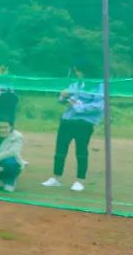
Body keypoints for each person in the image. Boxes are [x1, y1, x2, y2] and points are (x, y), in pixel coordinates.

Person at [41, 62, 104, 192]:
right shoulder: (76, 84)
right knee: (60, 150)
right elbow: (64, 100)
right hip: (67, 120)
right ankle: (56, 178)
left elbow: (98, 106)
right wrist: (62, 96)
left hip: (84, 123)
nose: (77, 74)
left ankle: (80, 180)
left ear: (86, 71)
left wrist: (76, 106)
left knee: (81, 151)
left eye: (78, 71)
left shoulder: (99, 86)